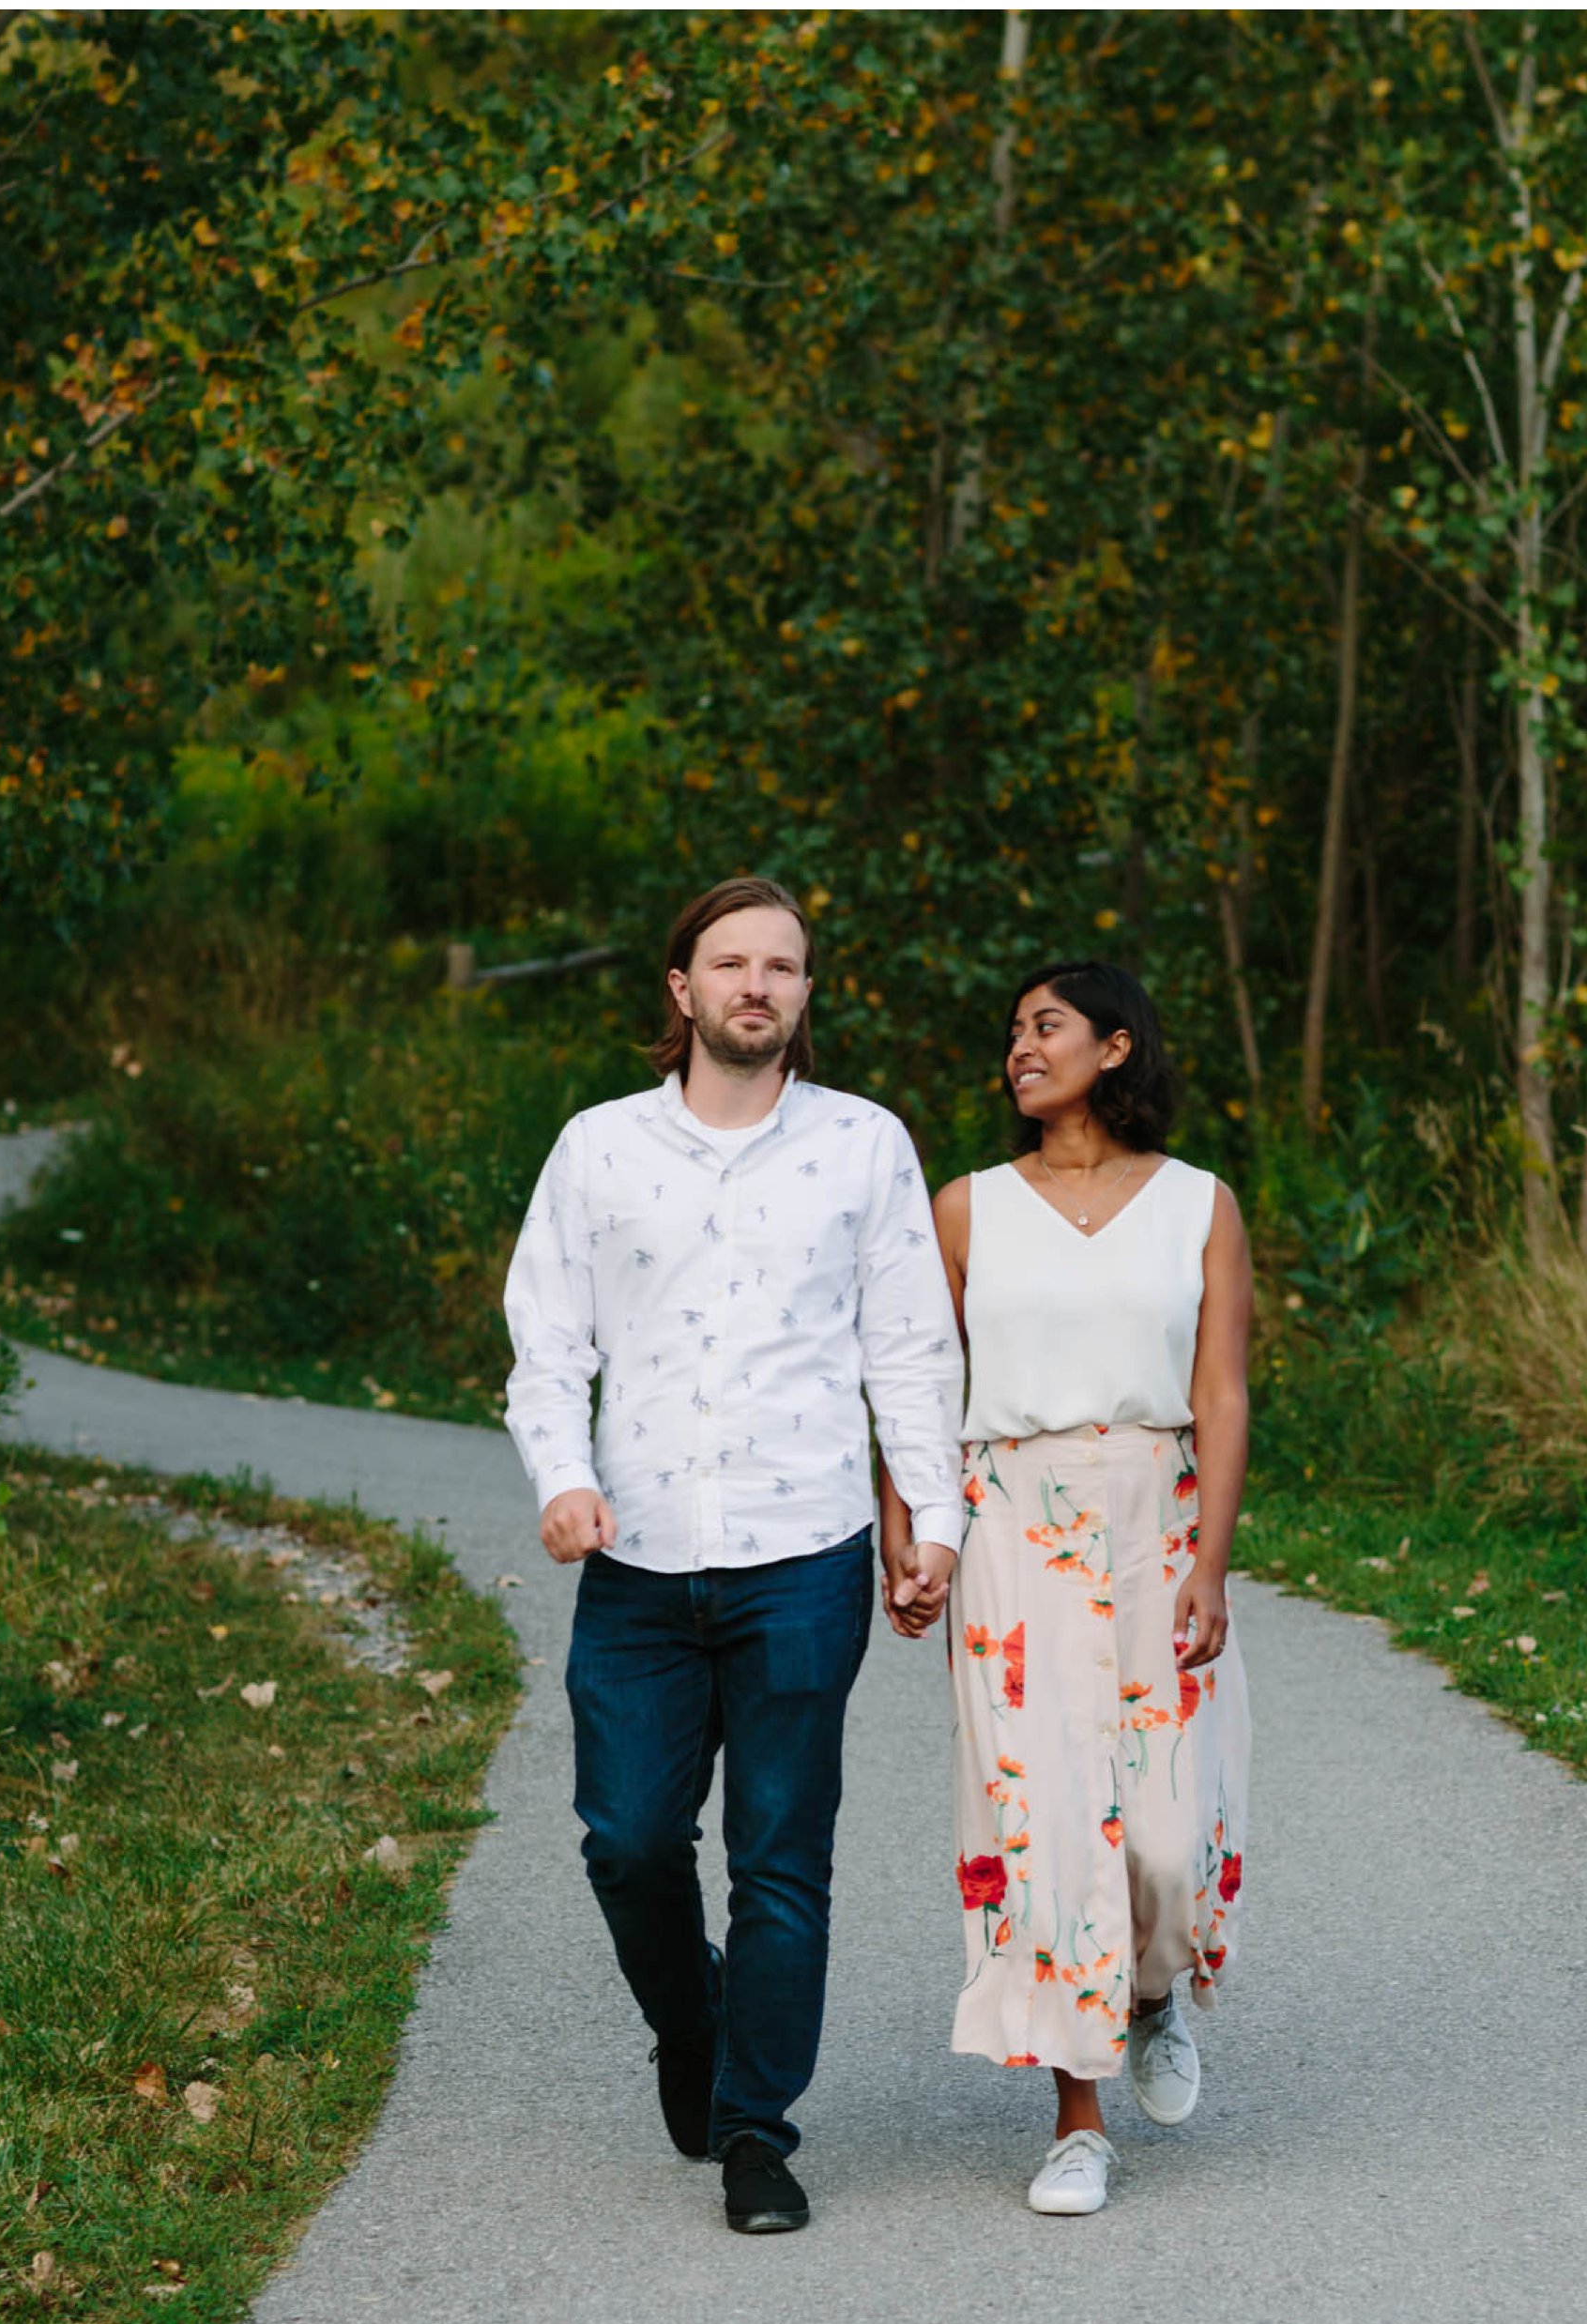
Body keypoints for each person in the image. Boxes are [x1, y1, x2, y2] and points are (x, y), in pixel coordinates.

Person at [502, 874, 964, 2235]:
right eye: (732, 962)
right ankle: (689, 2020)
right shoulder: (598, 1149)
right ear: (682, 989)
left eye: (785, 965)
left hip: (804, 1554)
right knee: (629, 1841)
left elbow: (912, 1351)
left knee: (780, 1855)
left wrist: (932, 1524)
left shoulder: (866, 1146)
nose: (758, 983)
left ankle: (759, 2126)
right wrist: (565, 1479)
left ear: (807, 995)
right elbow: (549, 1339)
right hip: (638, 1558)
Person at [879, 959, 1253, 2217]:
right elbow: (919, 1392)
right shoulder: (968, 1208)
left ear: (1117, 1045)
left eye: (1047, 1027)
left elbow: (1222, 1393)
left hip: (1155, 1519)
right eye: (1013, 1034)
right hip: (1011, 1534)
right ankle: (1075, 2118)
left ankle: (1152, 1997)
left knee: (1156, 1831)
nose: (1019, 1050)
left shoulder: (1200, 1204)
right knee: (1042, 1828)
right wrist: (909, 1536)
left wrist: (1211, 1560)